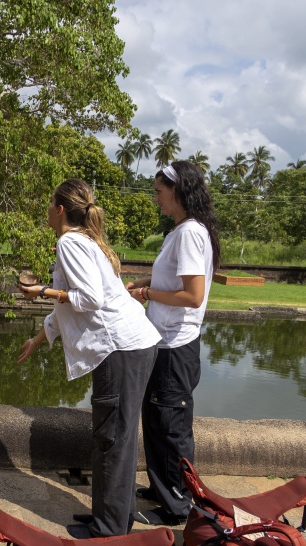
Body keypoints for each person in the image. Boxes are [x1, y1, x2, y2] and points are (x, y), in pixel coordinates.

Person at [17, 179, 161, 537]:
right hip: (131, 345)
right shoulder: (84, 241)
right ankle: (112, 516)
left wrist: (42, 291)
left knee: (111, 436)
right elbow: (73, 308)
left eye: (50, 202)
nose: (47, 209)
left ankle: (110, 528)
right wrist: (39, 338)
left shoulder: (69, 241)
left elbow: (89, 299)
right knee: (117, 435)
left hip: (121, 349)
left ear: (61, 209)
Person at [125, 161, 221, 526]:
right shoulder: (180, 231)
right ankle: (161, 485)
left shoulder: (191, 233)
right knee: (155, 418)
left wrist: (148, 292)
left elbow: (193, 295)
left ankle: (178, 506)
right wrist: (144, 282)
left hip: (176, 344)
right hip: (164, 342)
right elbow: (173, 276)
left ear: (178, 192)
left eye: (159, 192)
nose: (156, 199)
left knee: (171, 424)